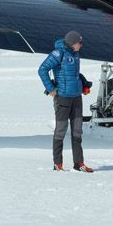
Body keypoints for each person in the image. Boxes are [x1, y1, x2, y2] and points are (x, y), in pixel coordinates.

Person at [37, 30, 94, 172]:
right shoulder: (59, 53)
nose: (81, 45)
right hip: (62, 98)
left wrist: (83, 85)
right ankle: (58, 164)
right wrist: (50, 89)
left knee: (77, 132)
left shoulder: (75, 54)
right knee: (61, 131)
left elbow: (75, 74)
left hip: (76, 98)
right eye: (79, 43)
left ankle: (79, 163)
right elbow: (42, 69)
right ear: (73, 43)